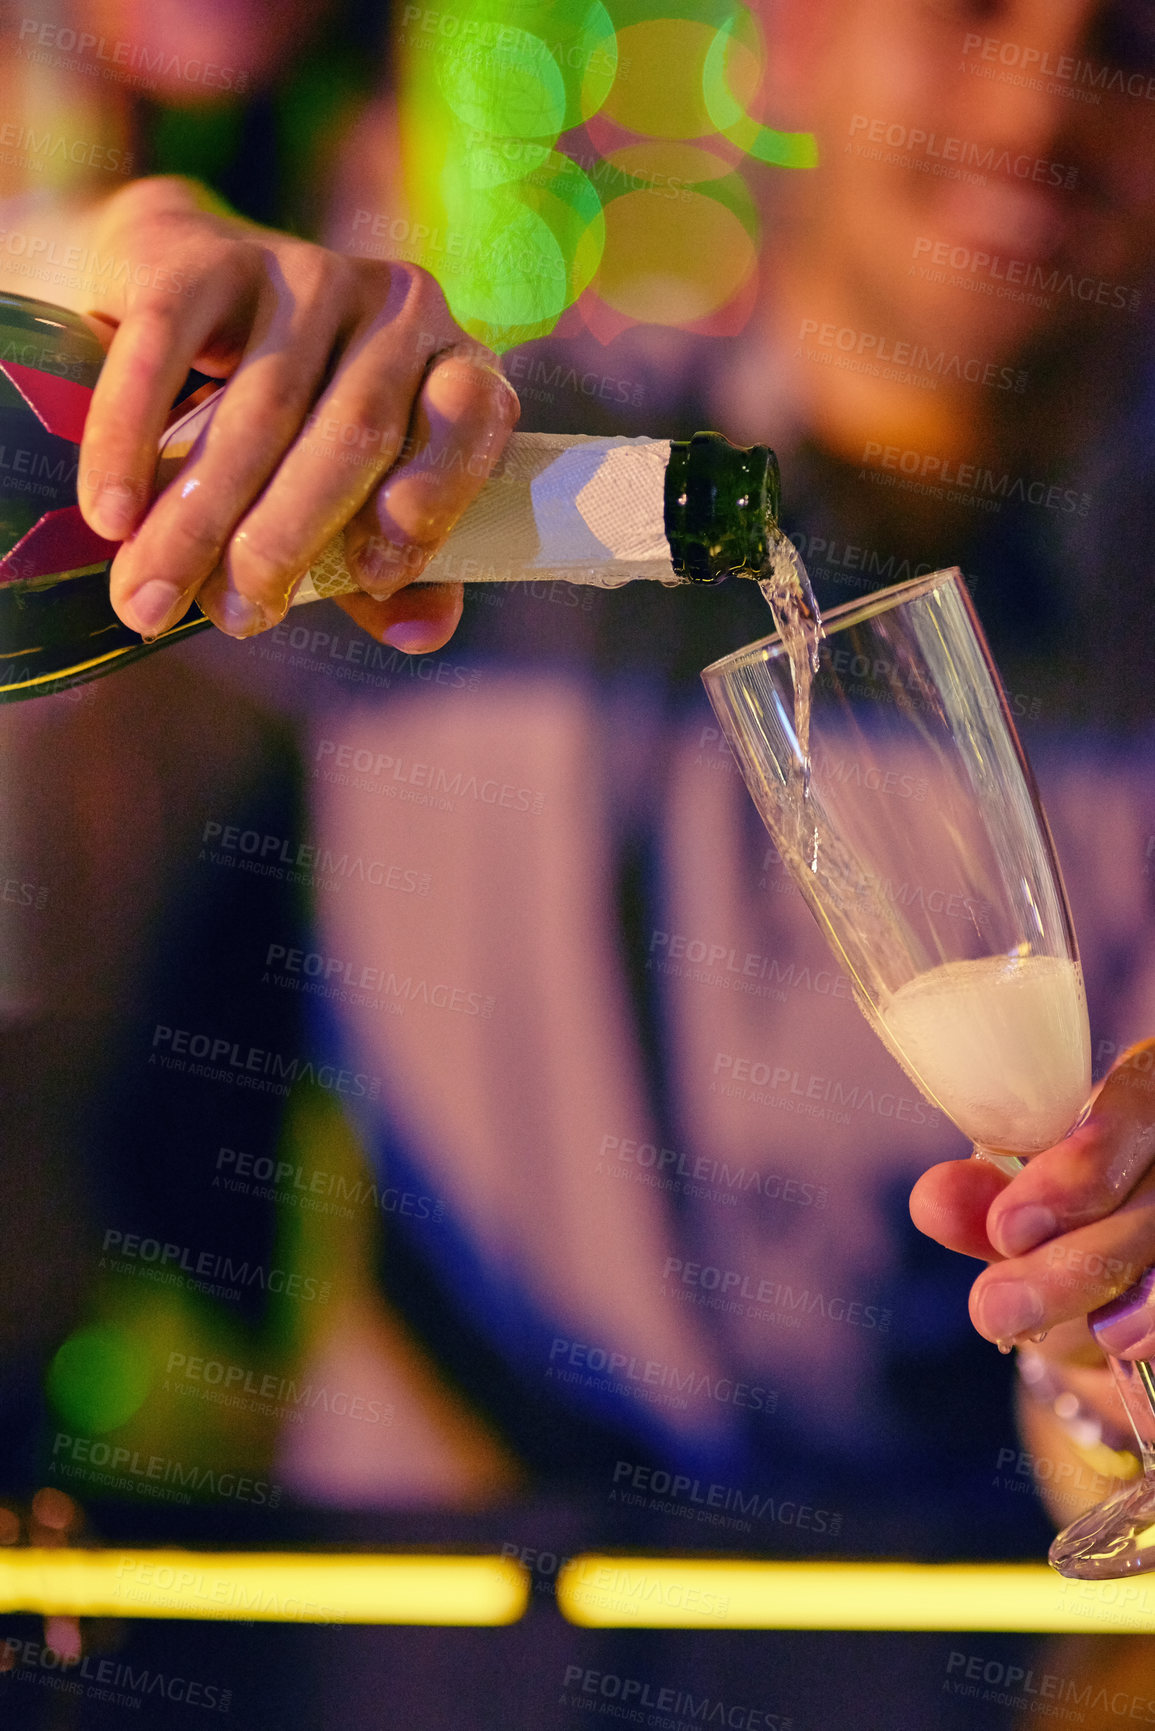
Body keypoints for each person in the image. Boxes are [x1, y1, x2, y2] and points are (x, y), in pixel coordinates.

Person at [5, 0, 1155, 1554]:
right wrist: (107, 273)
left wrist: (1099, 1384)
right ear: (800, 32)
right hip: (426, 1614)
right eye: (971, 10)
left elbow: (1100, 1426)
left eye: (1138, 42)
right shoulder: (460, 472)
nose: (1037, 112)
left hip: (963, 1640)